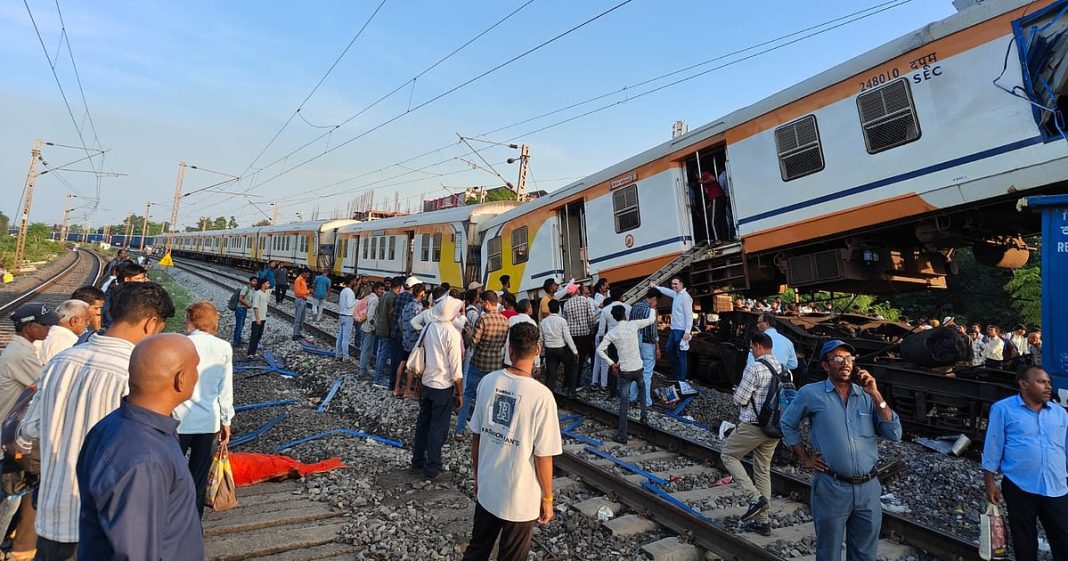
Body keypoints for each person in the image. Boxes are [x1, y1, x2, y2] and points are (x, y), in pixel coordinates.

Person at [18, 282, 174, 559]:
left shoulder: (60, 361)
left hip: (52, 515)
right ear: (151, 324)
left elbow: (28, 431)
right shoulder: (136, 374)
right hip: (102, 525)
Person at [76, 333, 204, 561]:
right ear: (180, 379)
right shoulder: (146, 459)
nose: (198, 375)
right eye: (196, 367)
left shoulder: (113, 426)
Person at [780, 340, 902, 561]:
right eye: (838, 359)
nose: (845, 363)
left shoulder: (866, 396)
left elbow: (894, 433)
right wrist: (804, 458)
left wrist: (876, 395)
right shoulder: (811, 394)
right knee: (829, 552)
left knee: (865, 553)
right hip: (831, 487)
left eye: (849, 359)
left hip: (868, 489)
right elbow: (787, 423)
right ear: (826, 365)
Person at [461, 323, 561, 561]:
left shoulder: (488, 382)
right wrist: (548, 499)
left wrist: (478, 477)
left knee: (477, 549)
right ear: (537, 351)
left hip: (488, 486)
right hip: (520, 497)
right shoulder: (542, 396)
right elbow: (543, 456)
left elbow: (477, 436)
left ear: (510, 350)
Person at [981, 366, 1068, 561]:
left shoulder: (1060, 413)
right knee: (1024, 543)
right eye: (1041, 382)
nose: (1048, 387)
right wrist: (990, 482)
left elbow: (1065, 448)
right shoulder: (1003, 409)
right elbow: (993, 445)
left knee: (1063, 540)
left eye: (1049, 383)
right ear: (1023, 384)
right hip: (1019, 486)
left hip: (1057, 488)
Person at [0, 304, 57, 558]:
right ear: (28, 327)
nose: (48, 328)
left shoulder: (20, 348)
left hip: (7, 426)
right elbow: (47, 386)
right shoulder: (21, 354)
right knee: (10, 497)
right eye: (44, 324)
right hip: (7, 431)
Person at [174, 302, 234, 516]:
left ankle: (167, 522)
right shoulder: (224, 347)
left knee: (169, 475)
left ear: (191, 319)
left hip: (178, 421)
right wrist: (226, 421)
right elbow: (225, 389)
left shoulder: (179, 344)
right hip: (209, 421)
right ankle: (193, 525)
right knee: (198, 479)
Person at [721, 333, 783, 536]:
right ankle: (763, 522)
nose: (751, 351)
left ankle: (754, 497)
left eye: (751, 348)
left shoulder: (755, 367)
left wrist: (737, 390)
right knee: (762, 470)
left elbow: (740, 399)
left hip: (753, 426)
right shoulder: (782, 368)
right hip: (774, 428)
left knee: (728, 455)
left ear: (757, 346)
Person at [410, 296, 464, 479]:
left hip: (426, 382)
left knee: (423, 423)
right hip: (443, 386)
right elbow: (456, 371)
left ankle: (417, 460)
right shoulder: (452, 334)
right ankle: (433, 467)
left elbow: (420, 351)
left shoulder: (429, 327)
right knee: (438, 427)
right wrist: (460, 393)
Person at [596, 305, 657, 444]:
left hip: (625, 371)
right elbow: (651, 319)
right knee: (641, 388)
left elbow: (599, 350)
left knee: (624, 401)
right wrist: (652, 308)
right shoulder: (633, 325)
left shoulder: (612, 332)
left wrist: (612, 363)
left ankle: (622, 435)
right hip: (638, 367)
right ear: (624, 315)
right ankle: (644, 416)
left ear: (614, 317)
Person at [457, 291, 509, 438]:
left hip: (478, 363)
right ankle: (487, 431)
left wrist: (468, 333)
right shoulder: (505, 321)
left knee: (468, 395)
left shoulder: (483, 320)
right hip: (495, 366)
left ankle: (460, 430)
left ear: (486, 303)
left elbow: (474, 342)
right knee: (489, 398)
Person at [655, 276, 694, 382]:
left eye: (676, 284)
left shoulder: (685, 297)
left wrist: (687, 331)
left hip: (681, 330)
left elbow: (689, 315)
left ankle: (681, 378)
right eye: (672, 284)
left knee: (681, 354)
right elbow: (667, 291)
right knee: (669, 349)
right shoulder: (676, 294)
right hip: (674, 329)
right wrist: (656, 287)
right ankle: (675, 374)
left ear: (681, 284)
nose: (673, 286)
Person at [627, 289, 660, 406]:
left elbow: (629, 323)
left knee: (637, 370)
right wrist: (657, 347)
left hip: (635, 342)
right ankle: (646, 401)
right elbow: (653, 331)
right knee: (647, 372)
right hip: (647, 343)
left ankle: (632, 397)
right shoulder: (651, 310)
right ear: (654, 298)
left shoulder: (635, 306)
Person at [540, 299, 578, 394]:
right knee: (573, 366)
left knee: (551, 375)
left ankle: (550, 396)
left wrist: (541, 352)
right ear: (559, 309)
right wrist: (575, 351)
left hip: (549, 350)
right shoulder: (562, 321)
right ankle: (571, 391)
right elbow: (567, 337)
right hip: (561, 349)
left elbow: (541, 339)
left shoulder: (543, 322)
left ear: (549, 309)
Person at [395, 283, 427, 397]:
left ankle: (396, 388)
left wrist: (405, 332)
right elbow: (419, 325)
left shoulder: (407, 305)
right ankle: (408, 391)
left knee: (402, 363)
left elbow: (400, 322)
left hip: (405, 338)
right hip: (414, 340)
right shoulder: (419, 307)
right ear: (421, 293)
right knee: (411, 367)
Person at [593, 298, 630, 395]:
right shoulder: (628, 307)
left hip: (612, 341)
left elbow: (601, 330)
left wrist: (602, 343)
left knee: (612, 364)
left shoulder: (605, 310)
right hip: (624, 340)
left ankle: (612, 389)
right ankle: (625, 390)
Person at [562, 286, 596, 385]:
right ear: (576, 291)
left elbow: (565, 320)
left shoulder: (566, 304)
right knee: (581, 359)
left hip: (571, 335)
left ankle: (568, 382)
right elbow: (590, 318)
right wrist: (592, 330)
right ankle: (576, 382)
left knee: (572, 358)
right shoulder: (585, 301)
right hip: (584, 334)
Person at [391, 277, 419, 389]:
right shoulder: (412, 301)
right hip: (406, 336)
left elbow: (392, 312)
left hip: (394, 332)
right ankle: (403, 386)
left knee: (395, 360)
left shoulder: (398, 297)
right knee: (404, 362)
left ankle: (393, 384)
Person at [373, 279, 401, 389]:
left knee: (380, 353)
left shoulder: (385, 295)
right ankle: (378, 379)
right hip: (387, 330)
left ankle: (377, 376)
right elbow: (391, 315)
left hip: (380, 327)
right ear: (398, 287)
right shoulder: (393, 297)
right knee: (384, 354)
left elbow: (380, 310)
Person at [358, 282, 384, 378]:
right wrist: (374, 326)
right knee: (366, 350)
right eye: (381, 289)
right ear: (376, 289)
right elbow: (370, 316)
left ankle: (363, 369)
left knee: (364, 349)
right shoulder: (375, 300)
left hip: (364, 326)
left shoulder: (369, 297)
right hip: (369, 328)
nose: (382, 291)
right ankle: (362, 371)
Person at [502, 299, 536, 368]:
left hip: (509, 358)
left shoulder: (512, 319)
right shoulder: (532, 322)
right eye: (531, 307)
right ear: (528, 308)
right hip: (525, 360)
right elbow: (534, 342)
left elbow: (505, 337)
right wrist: (537, 362)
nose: (532, 309)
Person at [698, 171, 730, 243]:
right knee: (722, 219)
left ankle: (717, 239)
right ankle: (725, 239)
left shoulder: (704, 174)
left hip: (716, 197)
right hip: (721, 197)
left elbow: (712, 179)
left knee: (713, 220)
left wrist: (702, 182)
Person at [248, 278, 271, 358]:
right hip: (257, 318)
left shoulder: (265, 293)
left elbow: (267, 302)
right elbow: (255, 306)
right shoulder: (257, 293)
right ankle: (250, 353)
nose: (269, 285)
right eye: (267, 283)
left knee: (259, 335)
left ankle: (254, 352)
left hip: (263, 317)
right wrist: (257, 318)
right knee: (254, 335)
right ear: (263, 284)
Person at [336, 277, 357, 361]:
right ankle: (345, 356)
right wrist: (357, 301)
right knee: (345, 338)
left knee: (340, 337)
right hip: (348, 316)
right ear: (351, 281)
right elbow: (349, 304)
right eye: (355, 280)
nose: (356, 282)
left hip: (342, 315)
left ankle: (338, 355)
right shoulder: (350, 292)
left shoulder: (343, 291)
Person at [233, 276, 256, 346]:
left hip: (244, 309)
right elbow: (240, 298)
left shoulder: (253, 289)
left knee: (241, 325)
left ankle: (238, 339)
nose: (255, 283)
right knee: (239, 325)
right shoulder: (245, 288)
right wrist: (248, 305)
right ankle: (235, 342)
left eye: (256, 281)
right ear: (250, 281)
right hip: (240, 309)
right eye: (254, 281)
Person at [291, 269, 311, 340]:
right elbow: (297, 292)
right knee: (298, 317)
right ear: (303, 272)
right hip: (300, 300)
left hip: (303, 300)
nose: (308, 276)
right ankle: (295, 334)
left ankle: (298, 333)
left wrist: (306, 292)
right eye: (307, 274)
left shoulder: (303, 280)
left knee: (302, 318)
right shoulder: (298, 280)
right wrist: (308, 291)